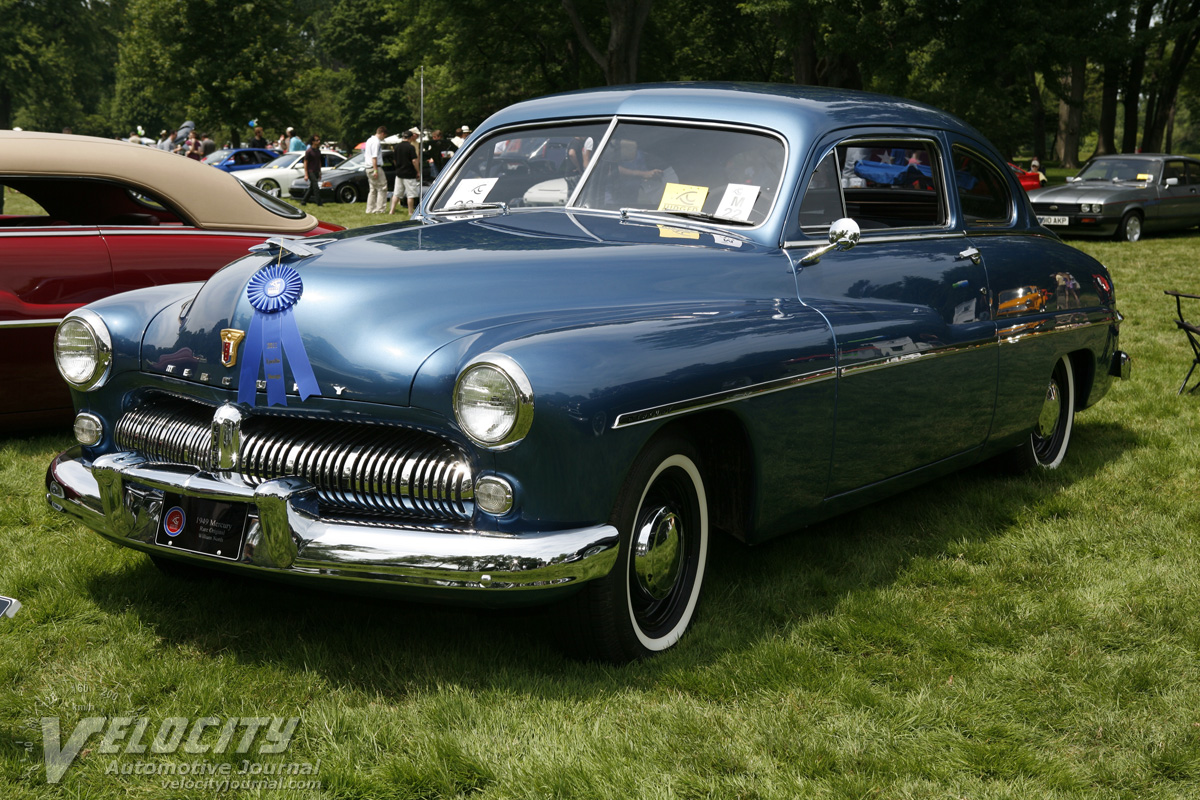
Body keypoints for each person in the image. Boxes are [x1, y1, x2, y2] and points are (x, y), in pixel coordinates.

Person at [389, 129, 421, 215]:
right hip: (409, 173)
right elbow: (414, 161)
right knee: (410, 194)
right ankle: (410, 212)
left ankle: (392, 211)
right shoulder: (411, 147)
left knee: (397, 193)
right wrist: (418, 171)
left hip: (399, 173)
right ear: (410, 138)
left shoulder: (396, 147)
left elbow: (395, 160)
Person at [364, 126, 389, 213]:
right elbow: (374, 157)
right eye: (384, 136)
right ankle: (380, 209)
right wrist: (375, 170)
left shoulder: (369, 140)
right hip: (375, 167)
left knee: (373, 189)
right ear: (382, 133)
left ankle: (370, 209)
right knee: (382, 188)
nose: (384, 138)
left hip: (368, 167)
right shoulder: (376, 142)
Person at [299, 135, 324, 207]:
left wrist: (320, 172)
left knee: (312, 188)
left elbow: (319, 162)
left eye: (319, 140)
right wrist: (306, 174)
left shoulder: (318, 151)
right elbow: (305, 162)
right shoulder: (309, 151)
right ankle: (319, 203)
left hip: (316, 171)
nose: (319, 141)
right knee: (316, 186)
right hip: (310, 171)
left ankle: (303, 201)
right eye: (317, 140)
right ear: (313, 142)